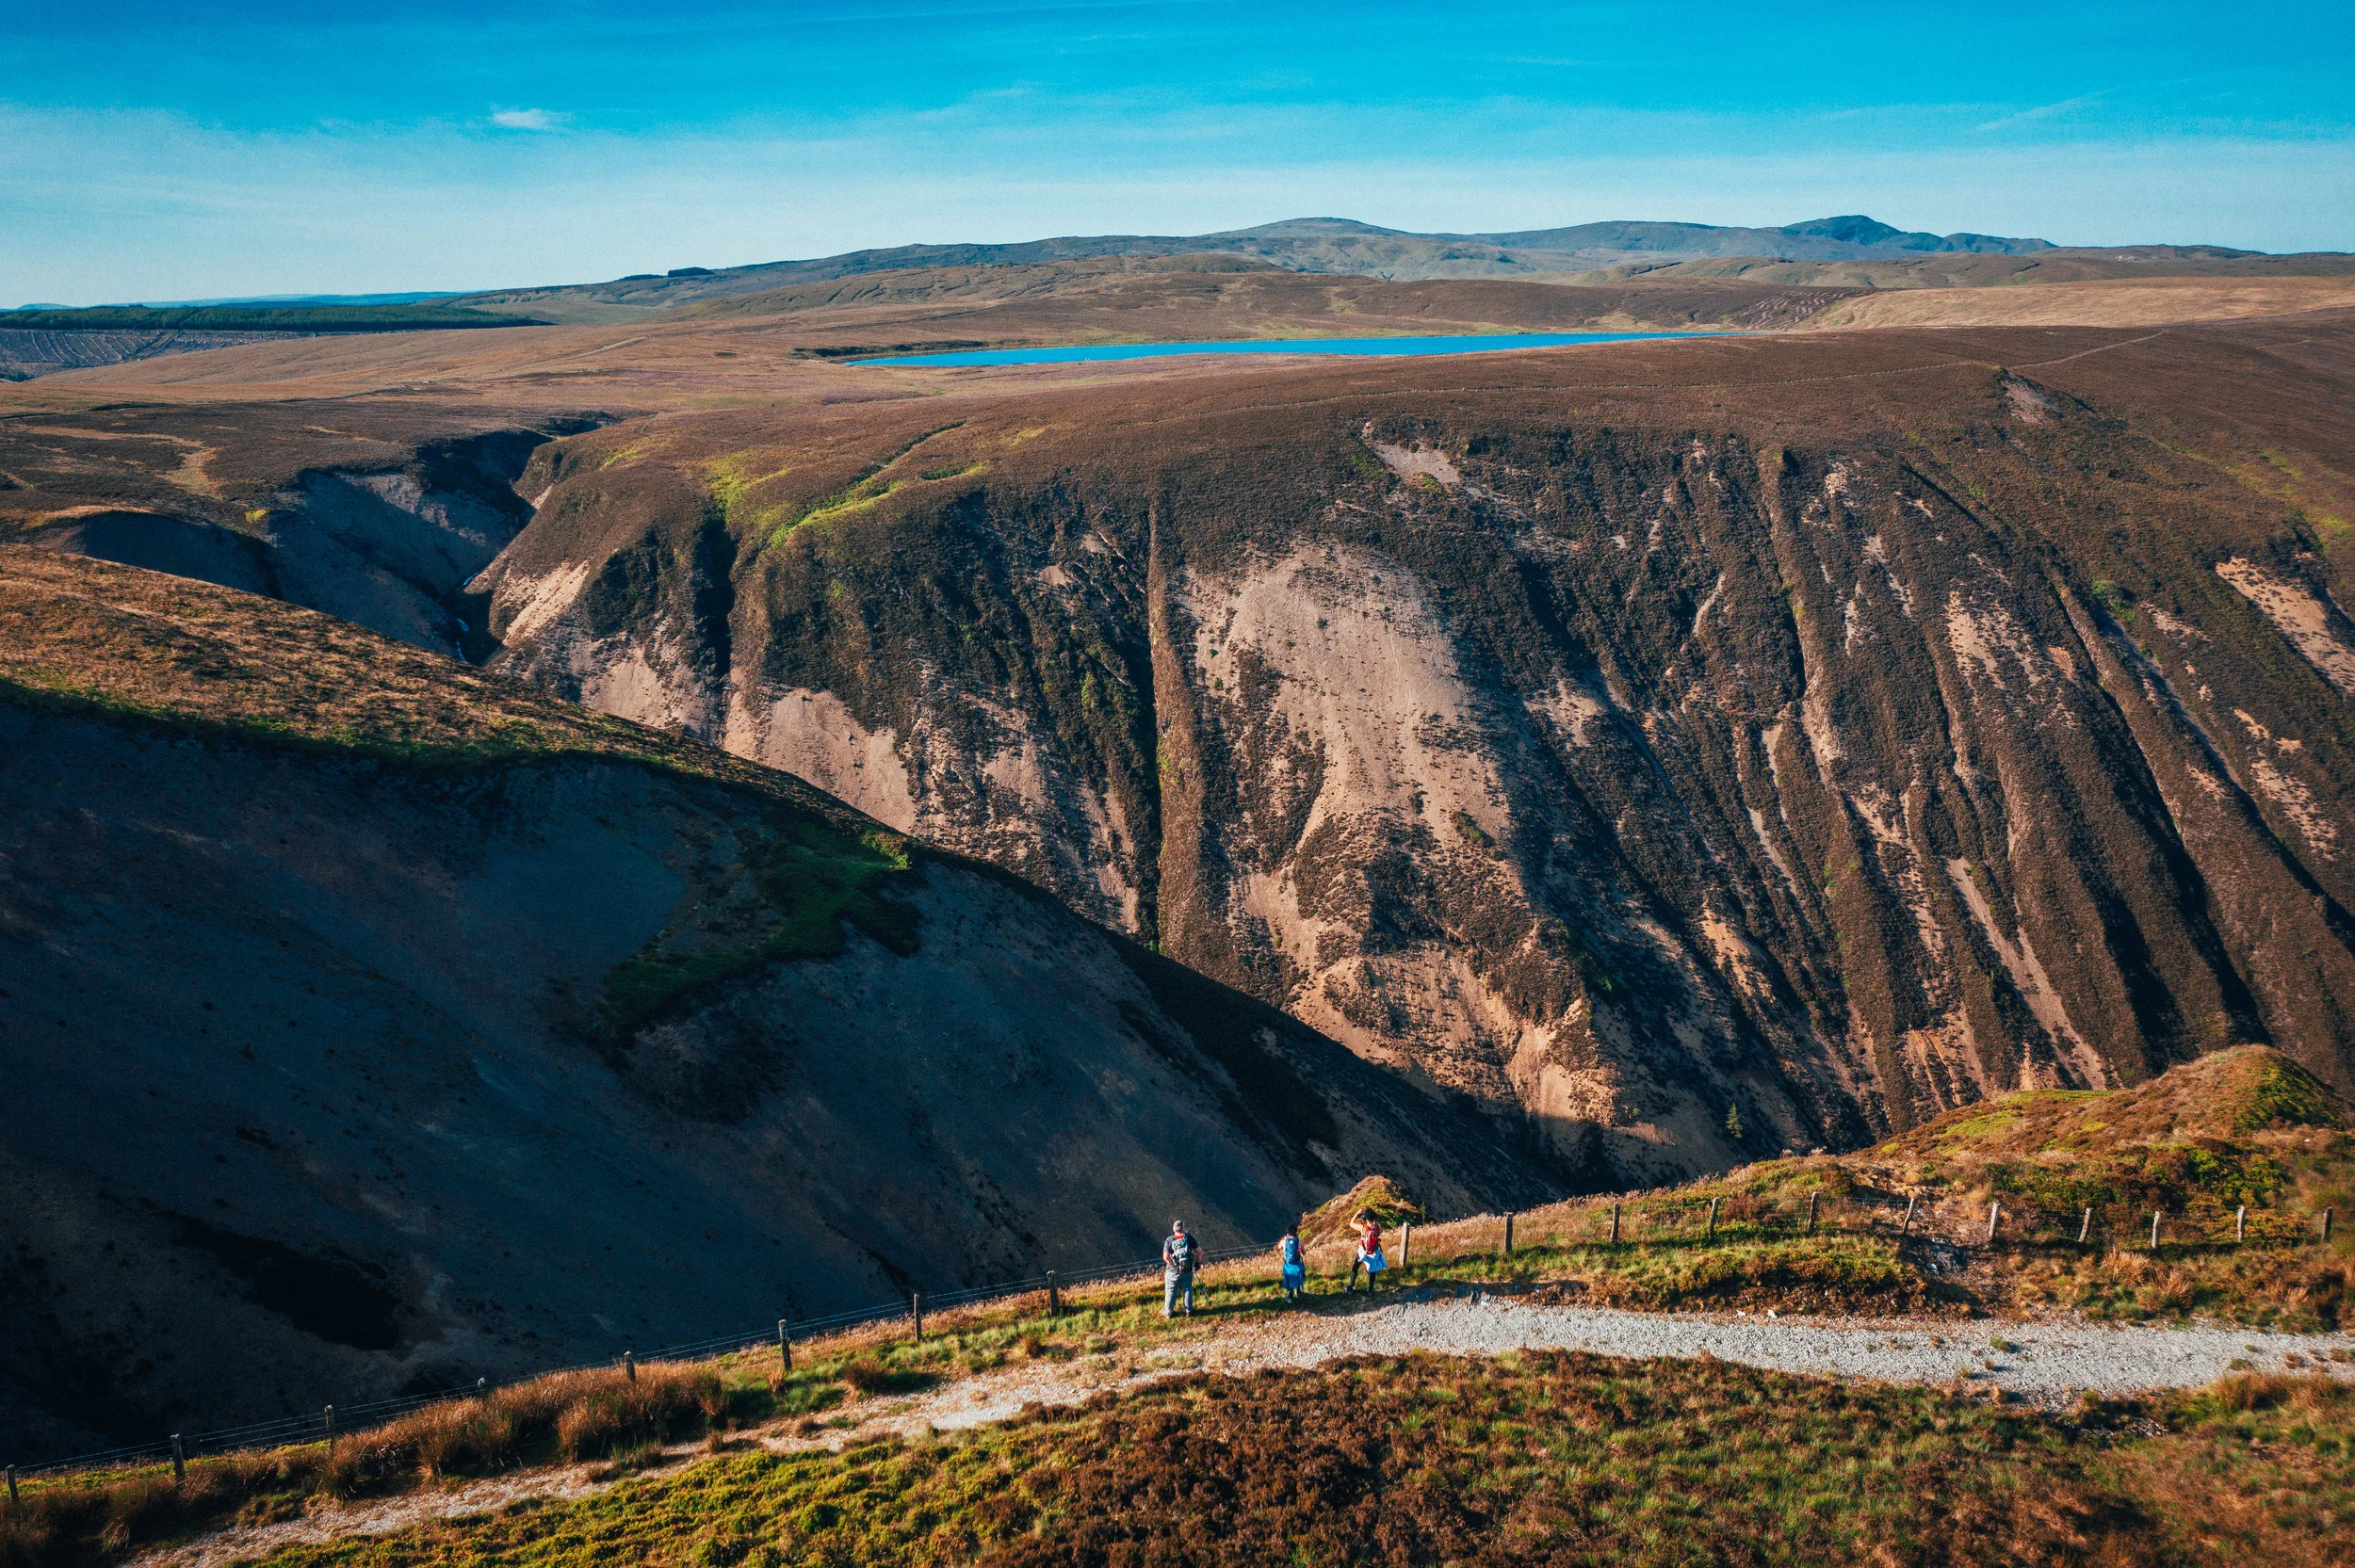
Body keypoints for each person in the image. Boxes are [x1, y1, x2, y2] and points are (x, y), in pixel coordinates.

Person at [1162, 1219, 1199, 1317]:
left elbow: (1165, 1257)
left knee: (1170, 1290)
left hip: (1172, 1271)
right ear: (1183, 1228)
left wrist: (1173, 1265)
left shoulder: (1169, 1240)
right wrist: (1197, 1263)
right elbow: (1199, 1251)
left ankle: (1168, 1312)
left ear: (1174, 1229)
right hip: (1187, 1269)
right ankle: (1189, 1310)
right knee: (1187, 1289)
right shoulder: (1188, 1238)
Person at [1347, 1210, 1387, 1293]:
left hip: (1363, 1252)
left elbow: (1351, 1224)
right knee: (1373, 1270)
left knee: (1355, 1267)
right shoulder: (1377, 1227)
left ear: (1366, 1219)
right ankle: (1370, 1290)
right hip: (1374, 1252)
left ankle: (1350, 1287)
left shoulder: (1363, 1228)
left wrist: (1357, 1214)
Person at [1277, 1224, 1307, 1303]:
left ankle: (1290, 1298)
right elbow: (1304, 1253)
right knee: (1300, 1272)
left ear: (1288, 1233)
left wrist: (1284, 1241)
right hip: (1297, 1265)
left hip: (1288, 1265)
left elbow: (1278, 1247)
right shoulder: (1299, 1241)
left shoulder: (1284, 1241)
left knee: (1289, 1278)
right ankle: (1298, 1291)